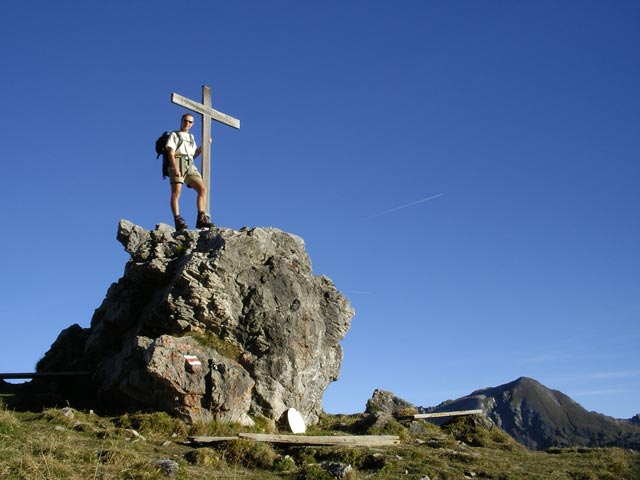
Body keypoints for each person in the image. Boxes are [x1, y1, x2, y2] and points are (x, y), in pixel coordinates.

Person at [165, 113, 213, 230]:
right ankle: (177, 219)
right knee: (176, 192)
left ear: (192, 124)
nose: (187, 123)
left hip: (190, 164)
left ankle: (201, 218)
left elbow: (193, 154)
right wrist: (175, 168)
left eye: (190, 122)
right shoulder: (174, 135)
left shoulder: (191, 137)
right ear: (181, 121)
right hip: (177, 161)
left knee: (202, 188)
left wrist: (204, 146)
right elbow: (171, 152)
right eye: (186, 121)